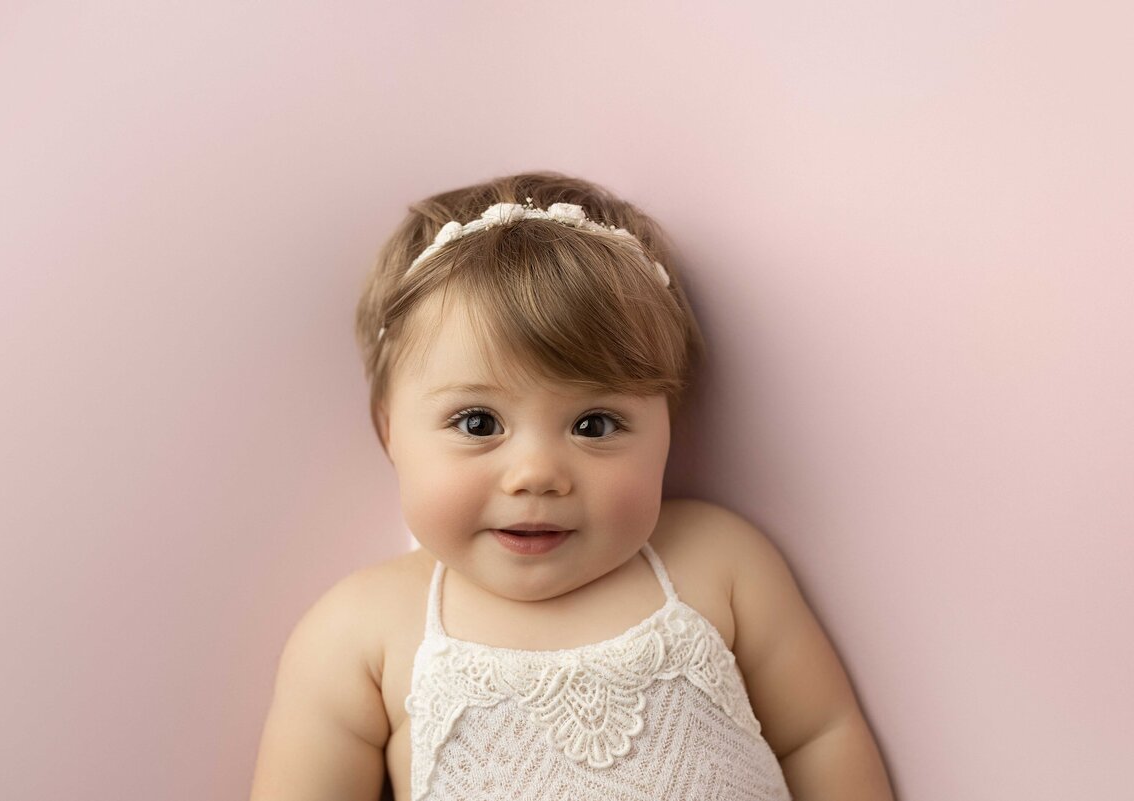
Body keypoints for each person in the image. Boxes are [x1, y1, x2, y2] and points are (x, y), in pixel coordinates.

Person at [248, 172, 895, 801]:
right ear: (390, 431)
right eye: (478, 422)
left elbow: (820, 737)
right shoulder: (360, 633)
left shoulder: (719, 562)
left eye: (594, 423)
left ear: (669, 424)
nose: (538, 474)